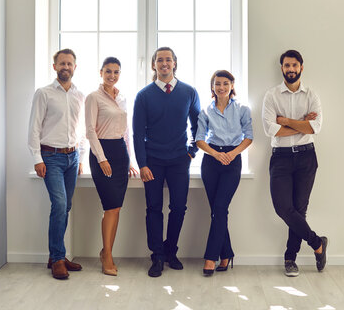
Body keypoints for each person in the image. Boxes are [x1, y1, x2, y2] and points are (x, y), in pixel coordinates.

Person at [133, 46, 201, 277]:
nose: (164, 63)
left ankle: (171, 251)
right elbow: (137, 133)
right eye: (160, 60)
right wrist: (142, 164)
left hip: (179, 161)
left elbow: (199, 126)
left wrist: (191, 151)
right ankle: (157, 256)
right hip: (152, 161)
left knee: (179, 208)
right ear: (153, 65)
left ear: (174, 63)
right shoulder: (143, 96)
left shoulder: (189, 92)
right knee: (153, 208)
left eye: (168, 60)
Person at [262, 49, 328, 277]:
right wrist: (300, 124)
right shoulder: (271, 95)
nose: (290, 69)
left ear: (301, 67)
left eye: (294, 65)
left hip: (307, 156)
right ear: (281, 68)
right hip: (280, 157)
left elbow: (314, 128)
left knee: (299, 210)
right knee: (283, 208)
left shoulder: (312, 95)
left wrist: (287, 122)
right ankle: (317, 243)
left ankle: (290, 258)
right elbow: (271, 130)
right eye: (286, 65)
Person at [28, 48, 85, 280]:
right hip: (50, 158)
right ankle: (58, 258)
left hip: (72, 158)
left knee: (66, 207)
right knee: (60, 206)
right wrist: (37, 159)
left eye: (70, 64)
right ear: (55, 67)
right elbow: (34, 128)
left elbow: (80, 129)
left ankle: (56, 255)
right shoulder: (43, 93)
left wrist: (80, 155)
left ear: (74, 67)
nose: (66, 67)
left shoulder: (79, 95)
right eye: (62, 63)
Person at [85, 57, 139, 276]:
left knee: (116, 207)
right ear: (101, 72)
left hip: (120, 154)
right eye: (108, 71)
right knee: (109, 206)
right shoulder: (93, 97)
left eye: (116, 72)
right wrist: (102, 158)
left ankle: (106, 250)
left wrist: (131, 160)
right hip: (102, 153)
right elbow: (90, 131)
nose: (112, 76)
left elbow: (126, 133)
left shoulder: (123, 98)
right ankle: (107, 256)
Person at [196, 70, 253, 276]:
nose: (221, 87)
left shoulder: (242, 109)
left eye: (225, 83)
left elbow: (249, 136)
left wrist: (231, 153)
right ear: (212, 87)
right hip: (211, 162)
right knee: (217, 211)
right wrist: (215, 154)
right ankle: (227, 254)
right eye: (217, 83)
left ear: (232, 85)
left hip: (233, 160)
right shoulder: (205, 111)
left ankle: (211, 257)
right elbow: (199, 139)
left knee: (220, 208)